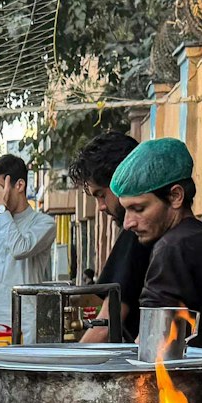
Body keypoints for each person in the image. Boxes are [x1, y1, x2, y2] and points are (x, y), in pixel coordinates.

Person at [110, 137, 202, 351]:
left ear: (176, 196)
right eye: (126, 210)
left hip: (184, 383)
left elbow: (152, 344)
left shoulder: (172, 247)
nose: (128, 223)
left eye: (139, 208)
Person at [68, 130, 151, 344]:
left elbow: (105, 327)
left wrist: (66, 373)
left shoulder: (138, 234)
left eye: (101, 195)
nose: (101, 207)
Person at [0, 153, 56, 337]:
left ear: (20, 185)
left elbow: (19, 248)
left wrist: (1, 208)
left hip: (23, 326)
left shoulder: (44, 224)